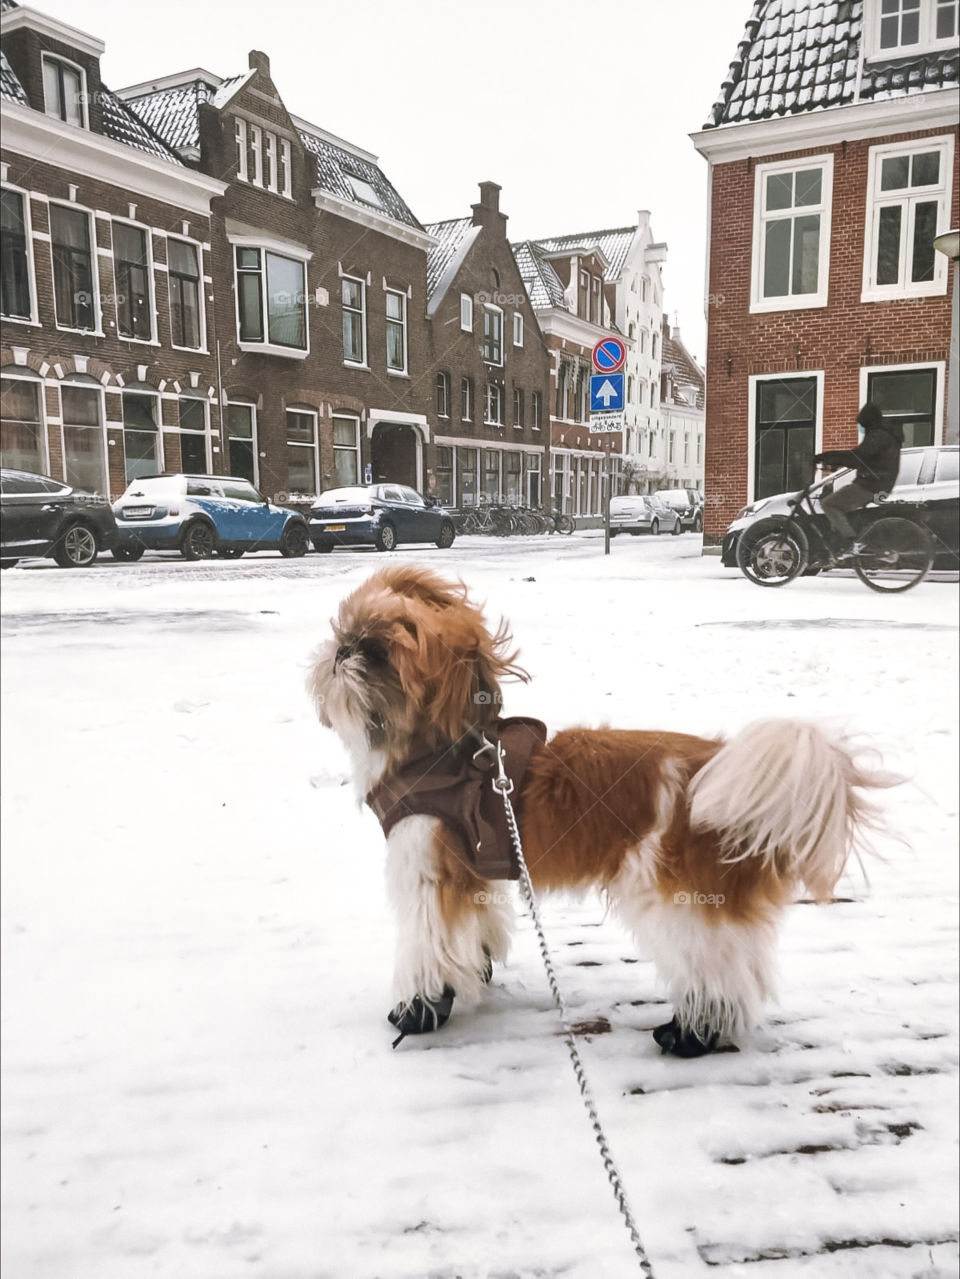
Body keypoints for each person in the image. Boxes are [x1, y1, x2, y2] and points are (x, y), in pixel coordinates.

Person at [814, 402, 903, 554]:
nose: (861, 428)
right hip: (879, 485)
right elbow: (866, 459)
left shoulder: (878, 435)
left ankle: (850, 542)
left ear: (869, 421)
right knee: (842, 506)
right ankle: (842, 544)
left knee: (829, 504)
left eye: (862, 425)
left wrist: (826, 457)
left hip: (871, 485)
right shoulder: (885, 434)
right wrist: (836, 462)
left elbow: (858, 458)